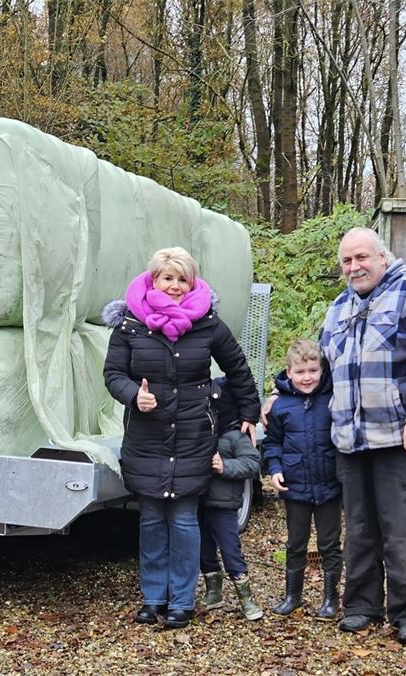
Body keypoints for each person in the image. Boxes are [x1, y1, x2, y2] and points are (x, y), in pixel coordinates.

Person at [262, 227, 406, 646]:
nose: (354, 267)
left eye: (362, 257)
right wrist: (280, 393)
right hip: (349, 441)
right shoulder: (339, 307)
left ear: (382, 256)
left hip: (404, 439)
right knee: (361, 531)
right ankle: (362, 606)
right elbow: (317, 369)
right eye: (347, 261)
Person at [103, 247, 260, 629]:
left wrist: (249, 414)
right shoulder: (129, 324)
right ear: (153, 279)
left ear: (192, 282)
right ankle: (154, 598)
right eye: (167, 278)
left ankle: (181, 601)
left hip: (192, 434)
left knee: (185, 519)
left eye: (182, 279)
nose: (174, 287)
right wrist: (132, 395)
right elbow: (113, 374)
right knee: (153, 519)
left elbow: (238, 368)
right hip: (147, 436)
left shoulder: (207, 322)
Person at [262, 339, 342, 621]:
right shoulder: (280, 406)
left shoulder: (333, 399)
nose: (307, 377)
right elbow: (272, 444)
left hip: (329, 485)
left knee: (329, 544)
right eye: (300, 372)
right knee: (296, 543)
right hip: (294, 485)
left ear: (321, 370)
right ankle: (292, 596)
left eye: (312, 370)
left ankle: (331, 599)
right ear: (288, 372)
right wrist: (274, 469)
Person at [198, 376, 263, 621]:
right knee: (205, 551)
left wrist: (224, 466)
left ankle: (246, 599)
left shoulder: (236, 437)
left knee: (231, 552)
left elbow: (252, 463)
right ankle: (214, 592)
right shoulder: (203, 435)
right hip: (200, 502)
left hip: (224, 506)